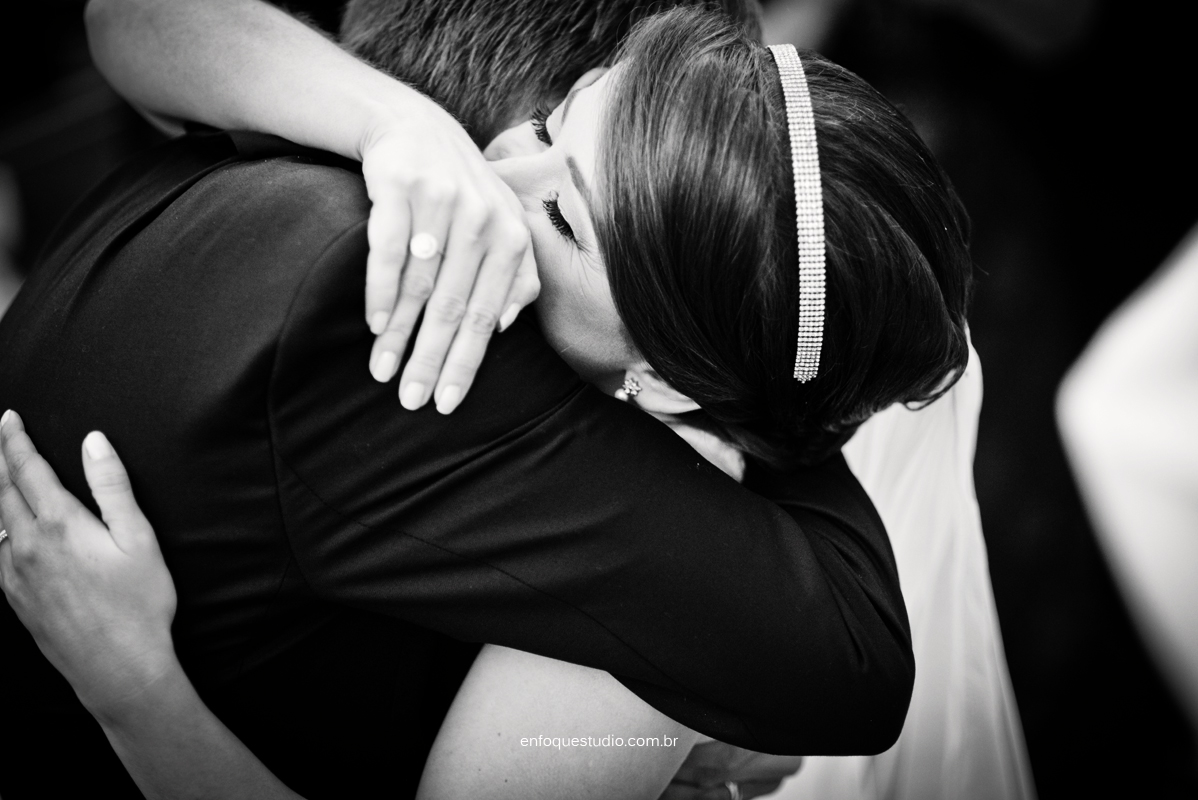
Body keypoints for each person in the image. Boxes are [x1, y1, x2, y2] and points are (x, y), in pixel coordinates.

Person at [0, 4, 973, 799]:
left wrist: (137, 693)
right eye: (553, 124)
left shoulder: (675, 563)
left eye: (561, 216)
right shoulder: (409, 175)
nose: (493, 169)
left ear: (669, 378)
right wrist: (398, 118)